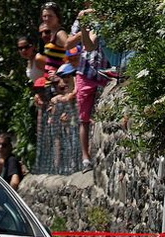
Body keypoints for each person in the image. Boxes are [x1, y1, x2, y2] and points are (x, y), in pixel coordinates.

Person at [67, 1, 109, 170]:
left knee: (103, 113)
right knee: (84, 118)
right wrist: (84, 26)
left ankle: (99, 150)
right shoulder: (82, 17)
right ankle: (86, 158)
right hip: (86, 72)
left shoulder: (108, 14)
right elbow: (68, 44)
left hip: (106, 71)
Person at [40, 2, 69, 96]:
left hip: (59, 83)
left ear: (57, 17)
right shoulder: (52, 32)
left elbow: (73, 52)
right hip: (51, 82)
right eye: (44, 16)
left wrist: (60, 73)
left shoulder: (60, 34)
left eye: (50, 16)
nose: (46, 19)